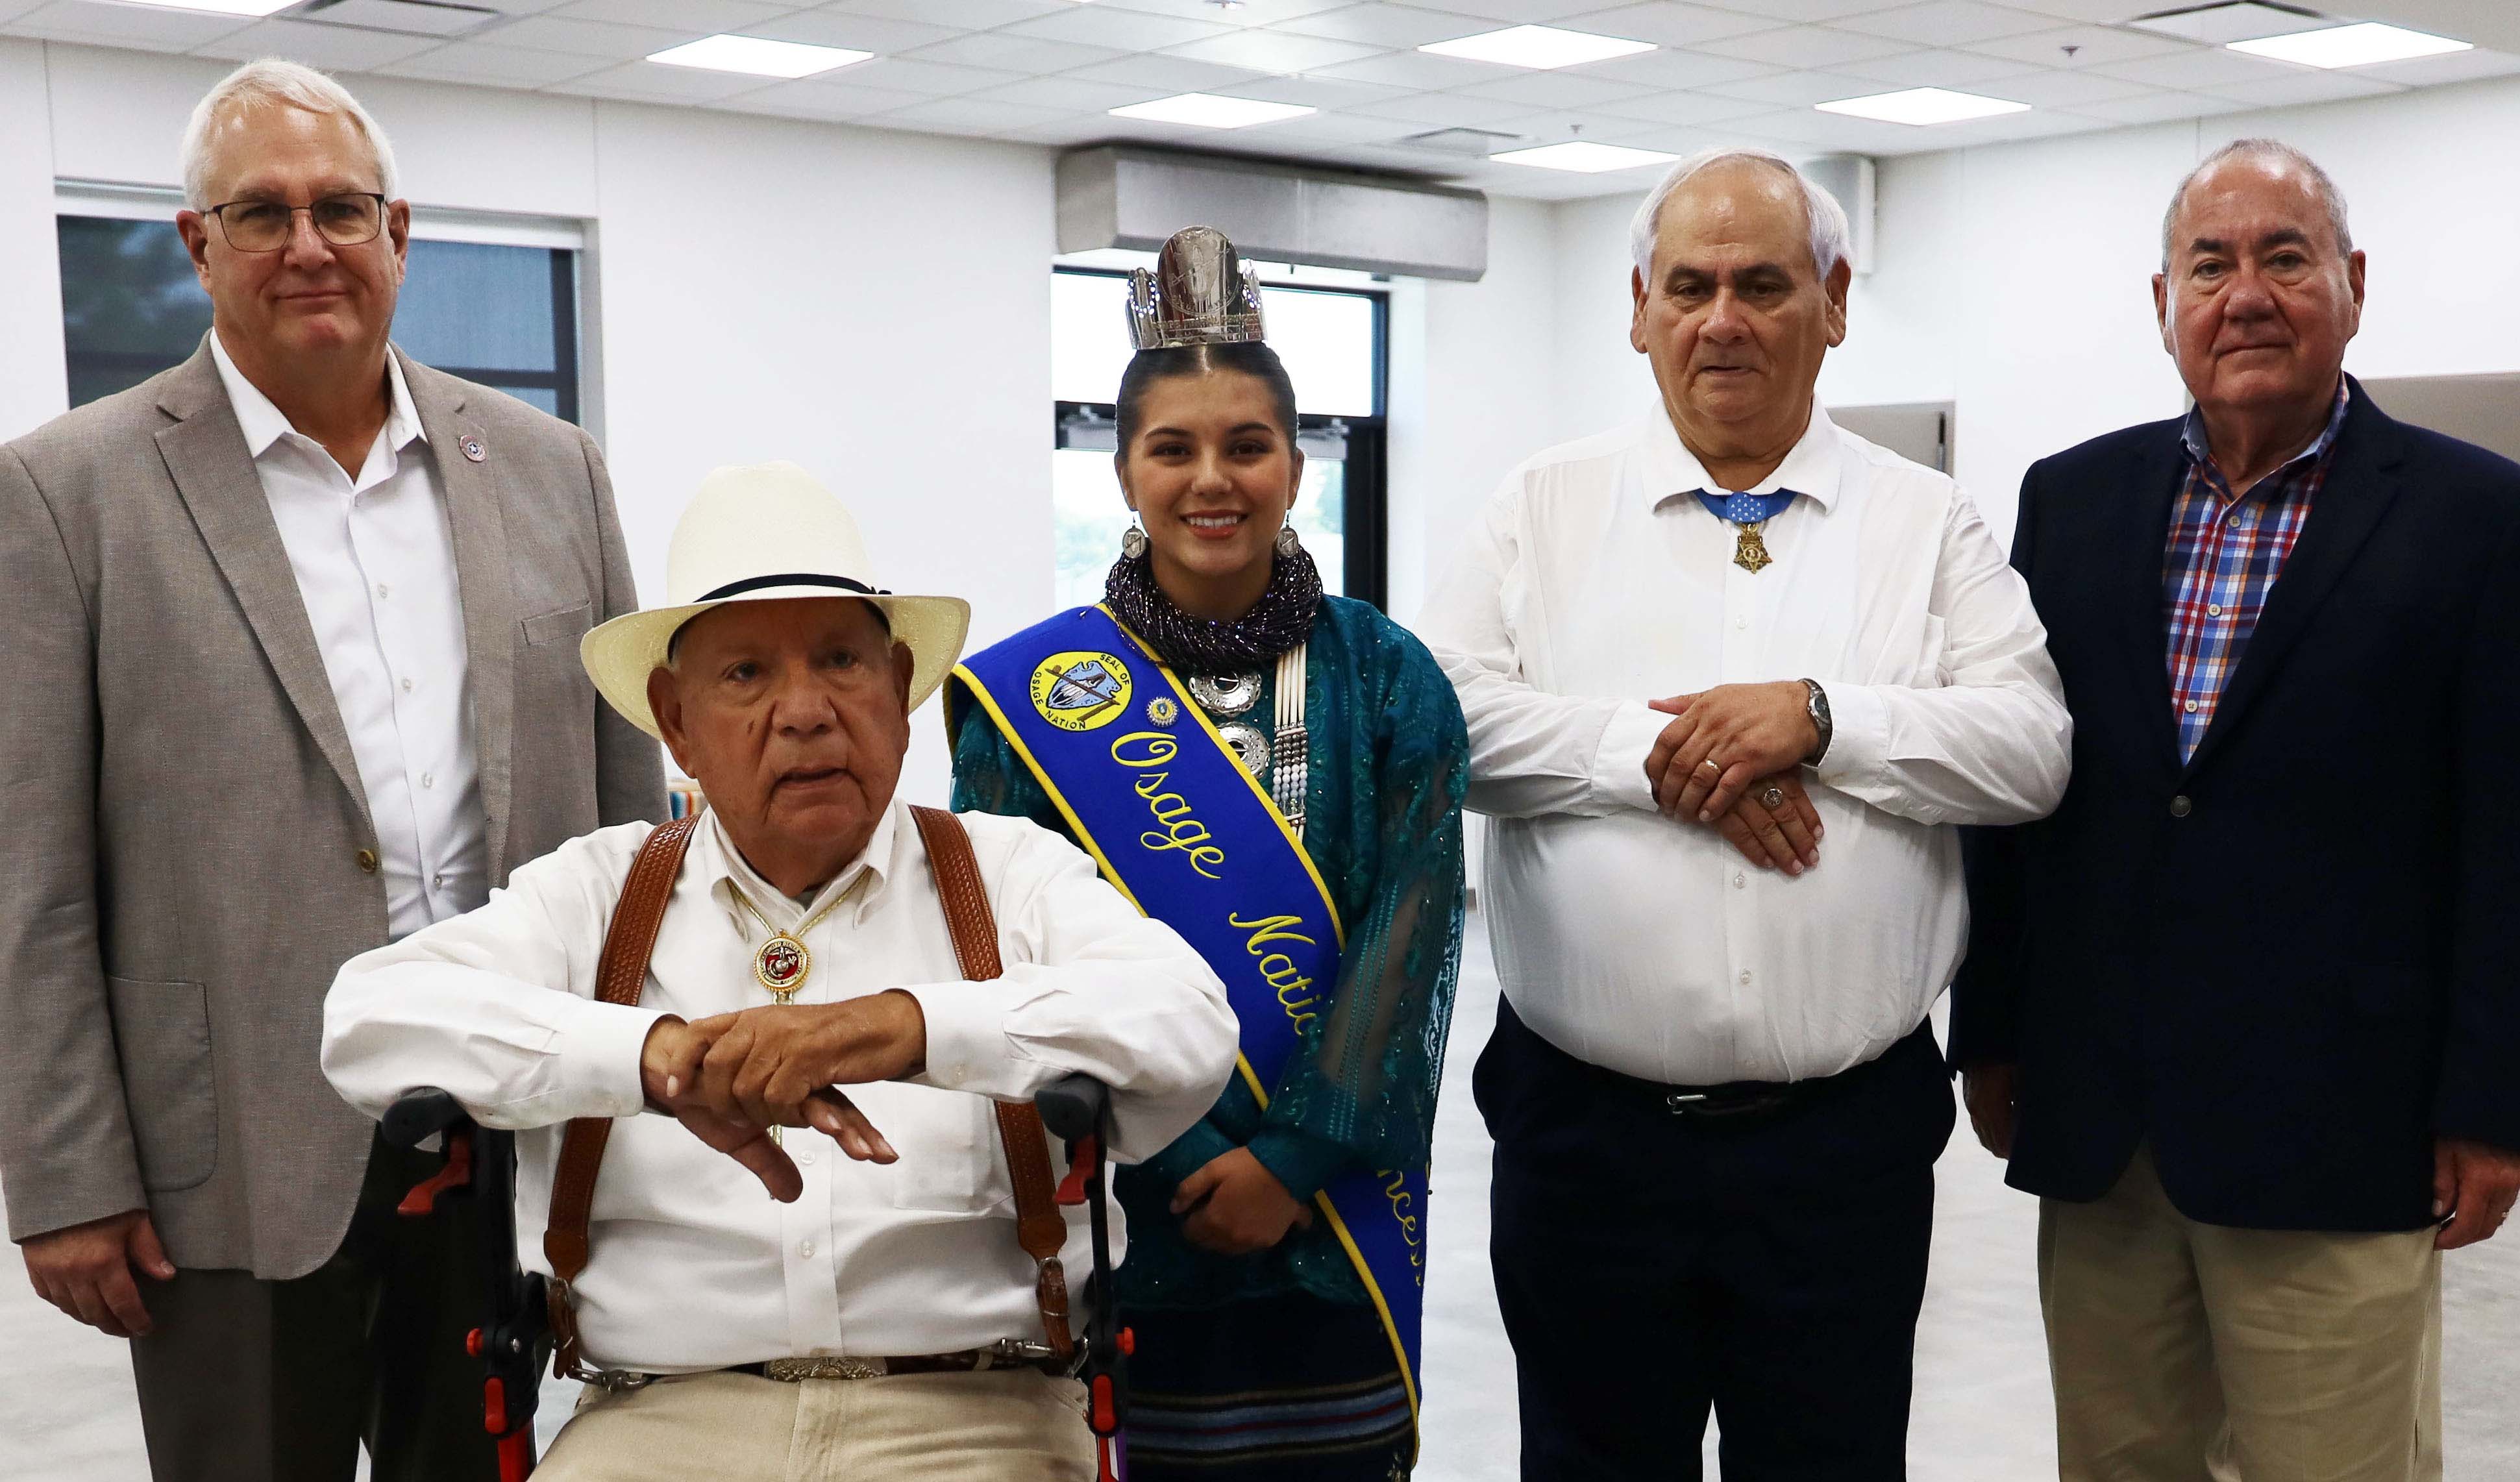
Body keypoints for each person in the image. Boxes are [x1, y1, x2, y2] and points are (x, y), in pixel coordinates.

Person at [0, 58, 658, 1482]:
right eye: (261, 214)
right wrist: (65, 1175)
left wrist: (638, 1094)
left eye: (341, 209)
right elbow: (29, 875)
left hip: (506, 1118)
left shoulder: (553, 468)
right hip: (230, 1149)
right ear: (199, 246)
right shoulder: (66, 491)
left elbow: (628, 819)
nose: (308, 245)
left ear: (396, 232)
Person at [322, 462, 1239, 1479]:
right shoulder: (596, 891)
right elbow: (369, 1019)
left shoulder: (1008, 872)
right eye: (746, 675)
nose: (805, 711)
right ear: (675, 722)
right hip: (658, 1420)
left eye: (841, 660)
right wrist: (654, 1060)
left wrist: (903, 1027)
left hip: (980, 1415)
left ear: (898, 689)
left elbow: (1188, 1017)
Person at [1416, 148, 2073, 1481]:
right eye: (1691, 286)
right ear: (1640, 308)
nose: (1723, 320)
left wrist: (1823, 721)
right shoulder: (1540, 509)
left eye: (1763, 285)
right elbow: (1438, 731)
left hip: (1839, 1158)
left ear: (1833, 303)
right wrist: (1665, 753)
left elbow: (2030, 749)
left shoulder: (1926, 521)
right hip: (1586, 1146)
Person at [1952, 138, 2520, 1482]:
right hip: (2105, 1123)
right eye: (2210, 265)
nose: (2246, 294)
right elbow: (2021, 793)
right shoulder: (2072, 500)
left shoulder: (2478, 516)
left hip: (2343, 1126)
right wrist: (1993, 1030)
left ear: (2353, 283)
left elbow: (2506, 834)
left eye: (2285, 257)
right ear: (2164, 303)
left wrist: (2493, 1101)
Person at [947, 225, 1468, 1481]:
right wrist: (1178, 1151)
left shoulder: (1385, 674)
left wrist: (1289, 1160)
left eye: (1247, 445)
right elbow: (1005, 946)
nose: (1211, 480)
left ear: (1296, 464)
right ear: (1123, 472)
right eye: (1172, 449)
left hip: (1334, 1207)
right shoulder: (1033, 693)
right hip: (1133, 1204)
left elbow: (1411, 933)